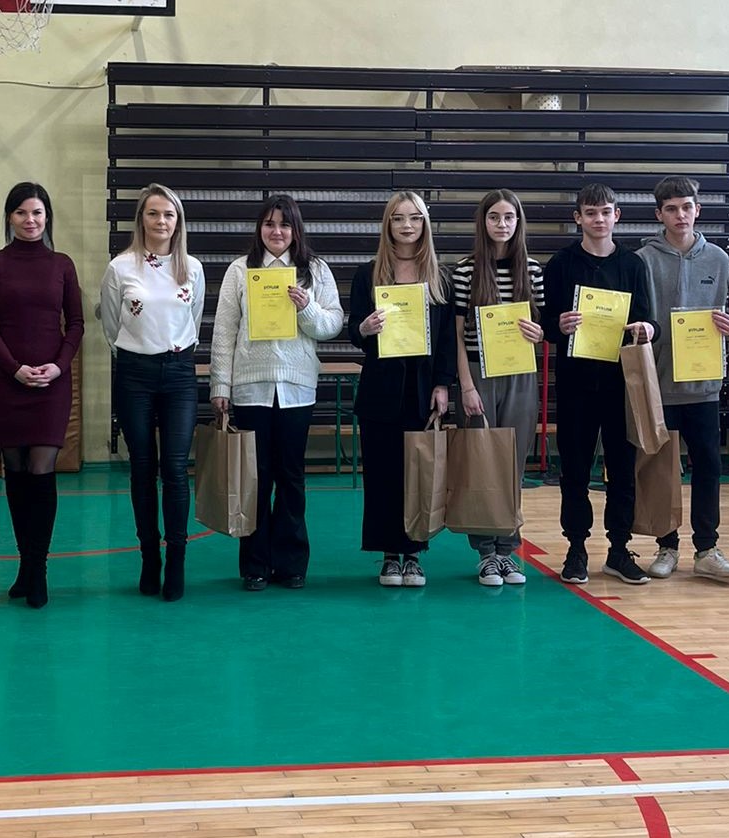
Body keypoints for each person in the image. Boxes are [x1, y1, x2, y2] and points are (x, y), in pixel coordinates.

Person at [209, 194, 344, 590]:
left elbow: (333, 324)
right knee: (256, 478)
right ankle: (255, 565)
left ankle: (291, 563)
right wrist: (220, 384)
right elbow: (224, 331)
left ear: (295, 230)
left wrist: (306, 308)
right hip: (250, 388)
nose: (277, 231)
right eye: (269, 224)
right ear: (260, 228)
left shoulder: (315, 271)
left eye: (284, 224)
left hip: (297, 389)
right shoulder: (240, 270)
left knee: (291, 476)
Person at [0, 182, 85, 609]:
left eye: (37, 212)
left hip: (52, 385)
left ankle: (38, 568)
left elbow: (76, 324)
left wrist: (58, 366)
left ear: (47, 217)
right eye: (21, 212)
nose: (30, 220)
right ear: (9, 217)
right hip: (9, 383)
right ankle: (24, 563)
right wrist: (14, 368)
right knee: (16, 472)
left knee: (41, 470)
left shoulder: (62, 265)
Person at [541, 182, 657, 586]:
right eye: (590, 213)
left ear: (616, 216)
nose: (599, 219)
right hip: (575, 384)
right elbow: (545, 324)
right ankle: (576, 548)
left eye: (606, 212)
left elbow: (649, 320)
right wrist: (558, 324)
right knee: (574, 470)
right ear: (578, 218)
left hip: (621, 383)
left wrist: (647, 328)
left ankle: (619, 550)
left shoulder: (633, 264)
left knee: (622, 470)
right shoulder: (560, 264)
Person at [347, 191, 457, 588]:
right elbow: (353, 330)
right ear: (387, 224)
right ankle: (389, 556)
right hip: (380, 390)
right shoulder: (368, 274)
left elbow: (447, 339)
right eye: (398, 218)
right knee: (382, 475)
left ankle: (413, 554)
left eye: (414, 218)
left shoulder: (439, 277)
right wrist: (364, 328)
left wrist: (443, 384)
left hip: (422, 390)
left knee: (418, 474)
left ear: (424, 224)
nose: (406, 225)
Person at [100, 184, 205, 601]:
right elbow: (112, 324)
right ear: (141, 219)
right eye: (153, 213)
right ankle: (149, 557)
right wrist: (138, 352)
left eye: (169, 214)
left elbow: (194, 318)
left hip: (179, 373)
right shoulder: (120, 268)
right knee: (142, 467)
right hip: (134, 374)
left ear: (178, 222)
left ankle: (176, 559)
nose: (161, 221)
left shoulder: (191, 268)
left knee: (175, 468)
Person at [636, 175, 729, 581]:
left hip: (703, 385)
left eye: (687, 207)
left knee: (709, 467)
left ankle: (707, 548)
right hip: (658, 383)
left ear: (698, 210)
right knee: (662, 470)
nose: (680, 215)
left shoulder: (717, 258)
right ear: (659, 214)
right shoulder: (642, 260)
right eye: (671, 209)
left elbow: (726, 315)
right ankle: (666, 546)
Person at [449, 189, 545, 588]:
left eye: (509, 217)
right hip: (477, 372)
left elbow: (542, 326)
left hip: (520, 372)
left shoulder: (533, 270)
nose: (502, 224)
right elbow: (456, 335)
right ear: (483, 222)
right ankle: (485, 552)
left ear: (518, 222)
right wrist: (466, 386)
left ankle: (508, 550)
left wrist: (539, 333)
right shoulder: (465, 271)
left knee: (512, 462)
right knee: (481, 461)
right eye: (494, 217)